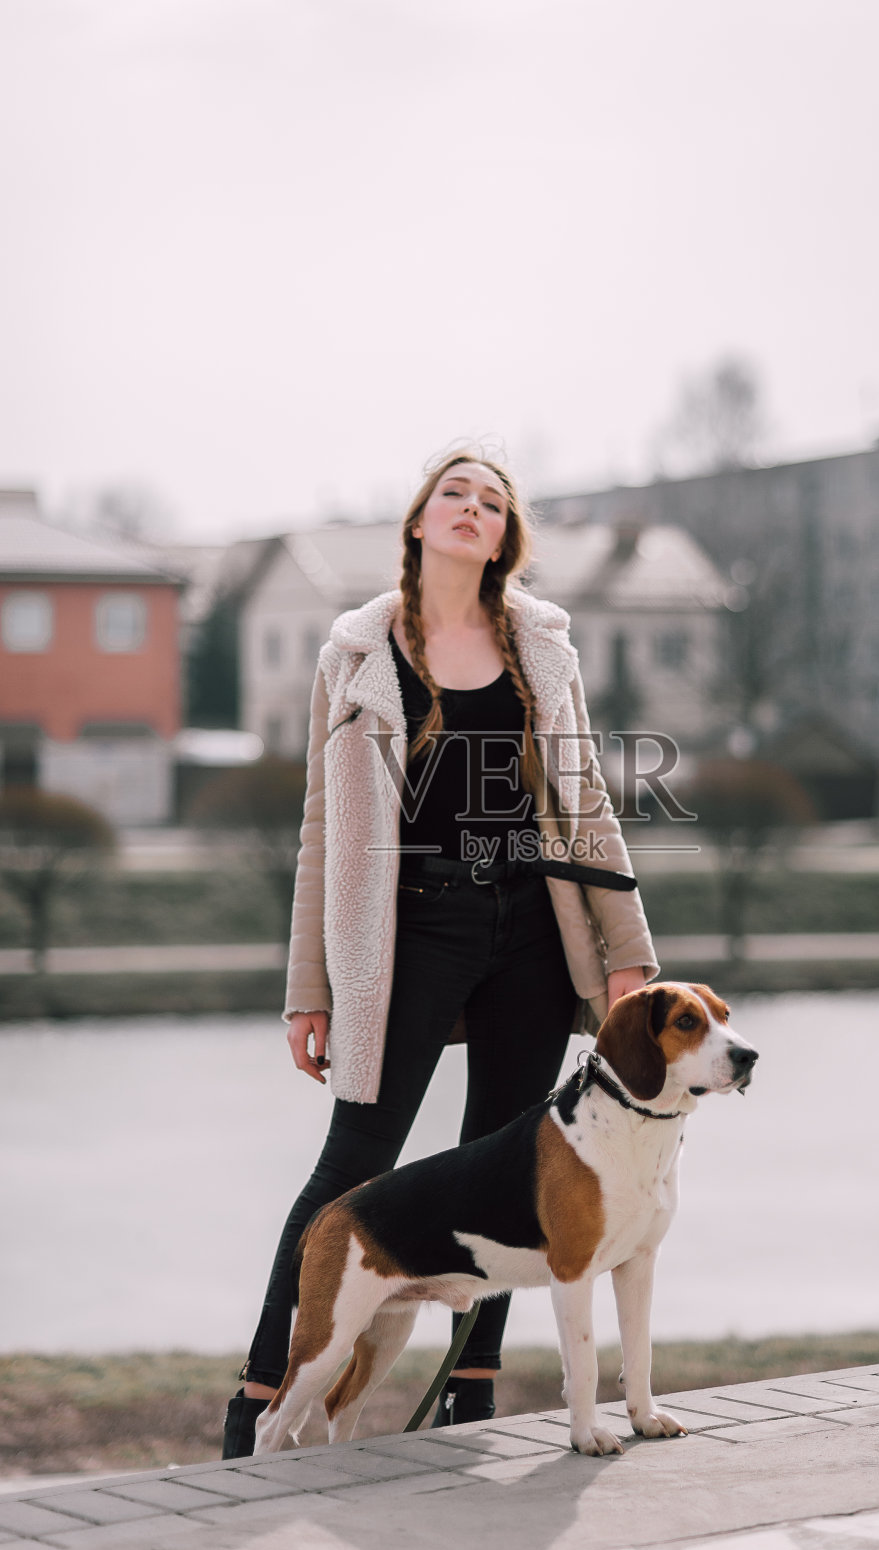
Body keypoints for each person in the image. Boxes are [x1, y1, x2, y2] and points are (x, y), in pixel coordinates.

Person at [222, 447, 658, 1457]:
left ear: (507, 535)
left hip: (532, 937)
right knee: (353, 1164)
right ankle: (259, 1390)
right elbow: (322, 832)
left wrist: (627, 953)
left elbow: (586, 805)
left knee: (515, 1162)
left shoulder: (543, 644)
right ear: (419, 521)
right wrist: (307, 992)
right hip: (409, 932)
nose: (473, 509)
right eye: (454, 494)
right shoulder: (358, 650)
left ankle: (473, 1385)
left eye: (493, 501)